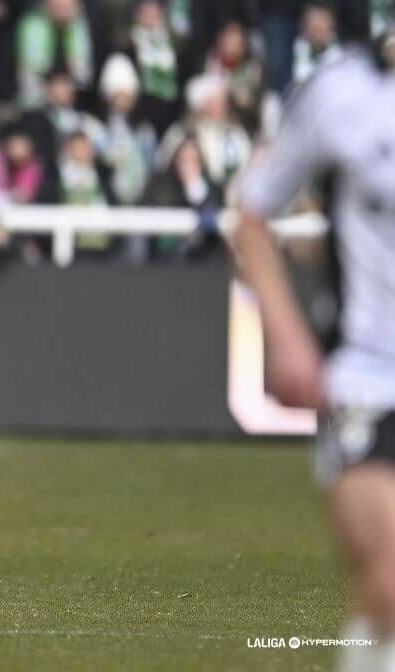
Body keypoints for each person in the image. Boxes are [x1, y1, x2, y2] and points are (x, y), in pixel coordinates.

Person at [235, 35, 395, 672]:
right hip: (367, 376)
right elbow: (251, 213)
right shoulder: (341, 91)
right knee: (389, 582)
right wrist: (289, 336)